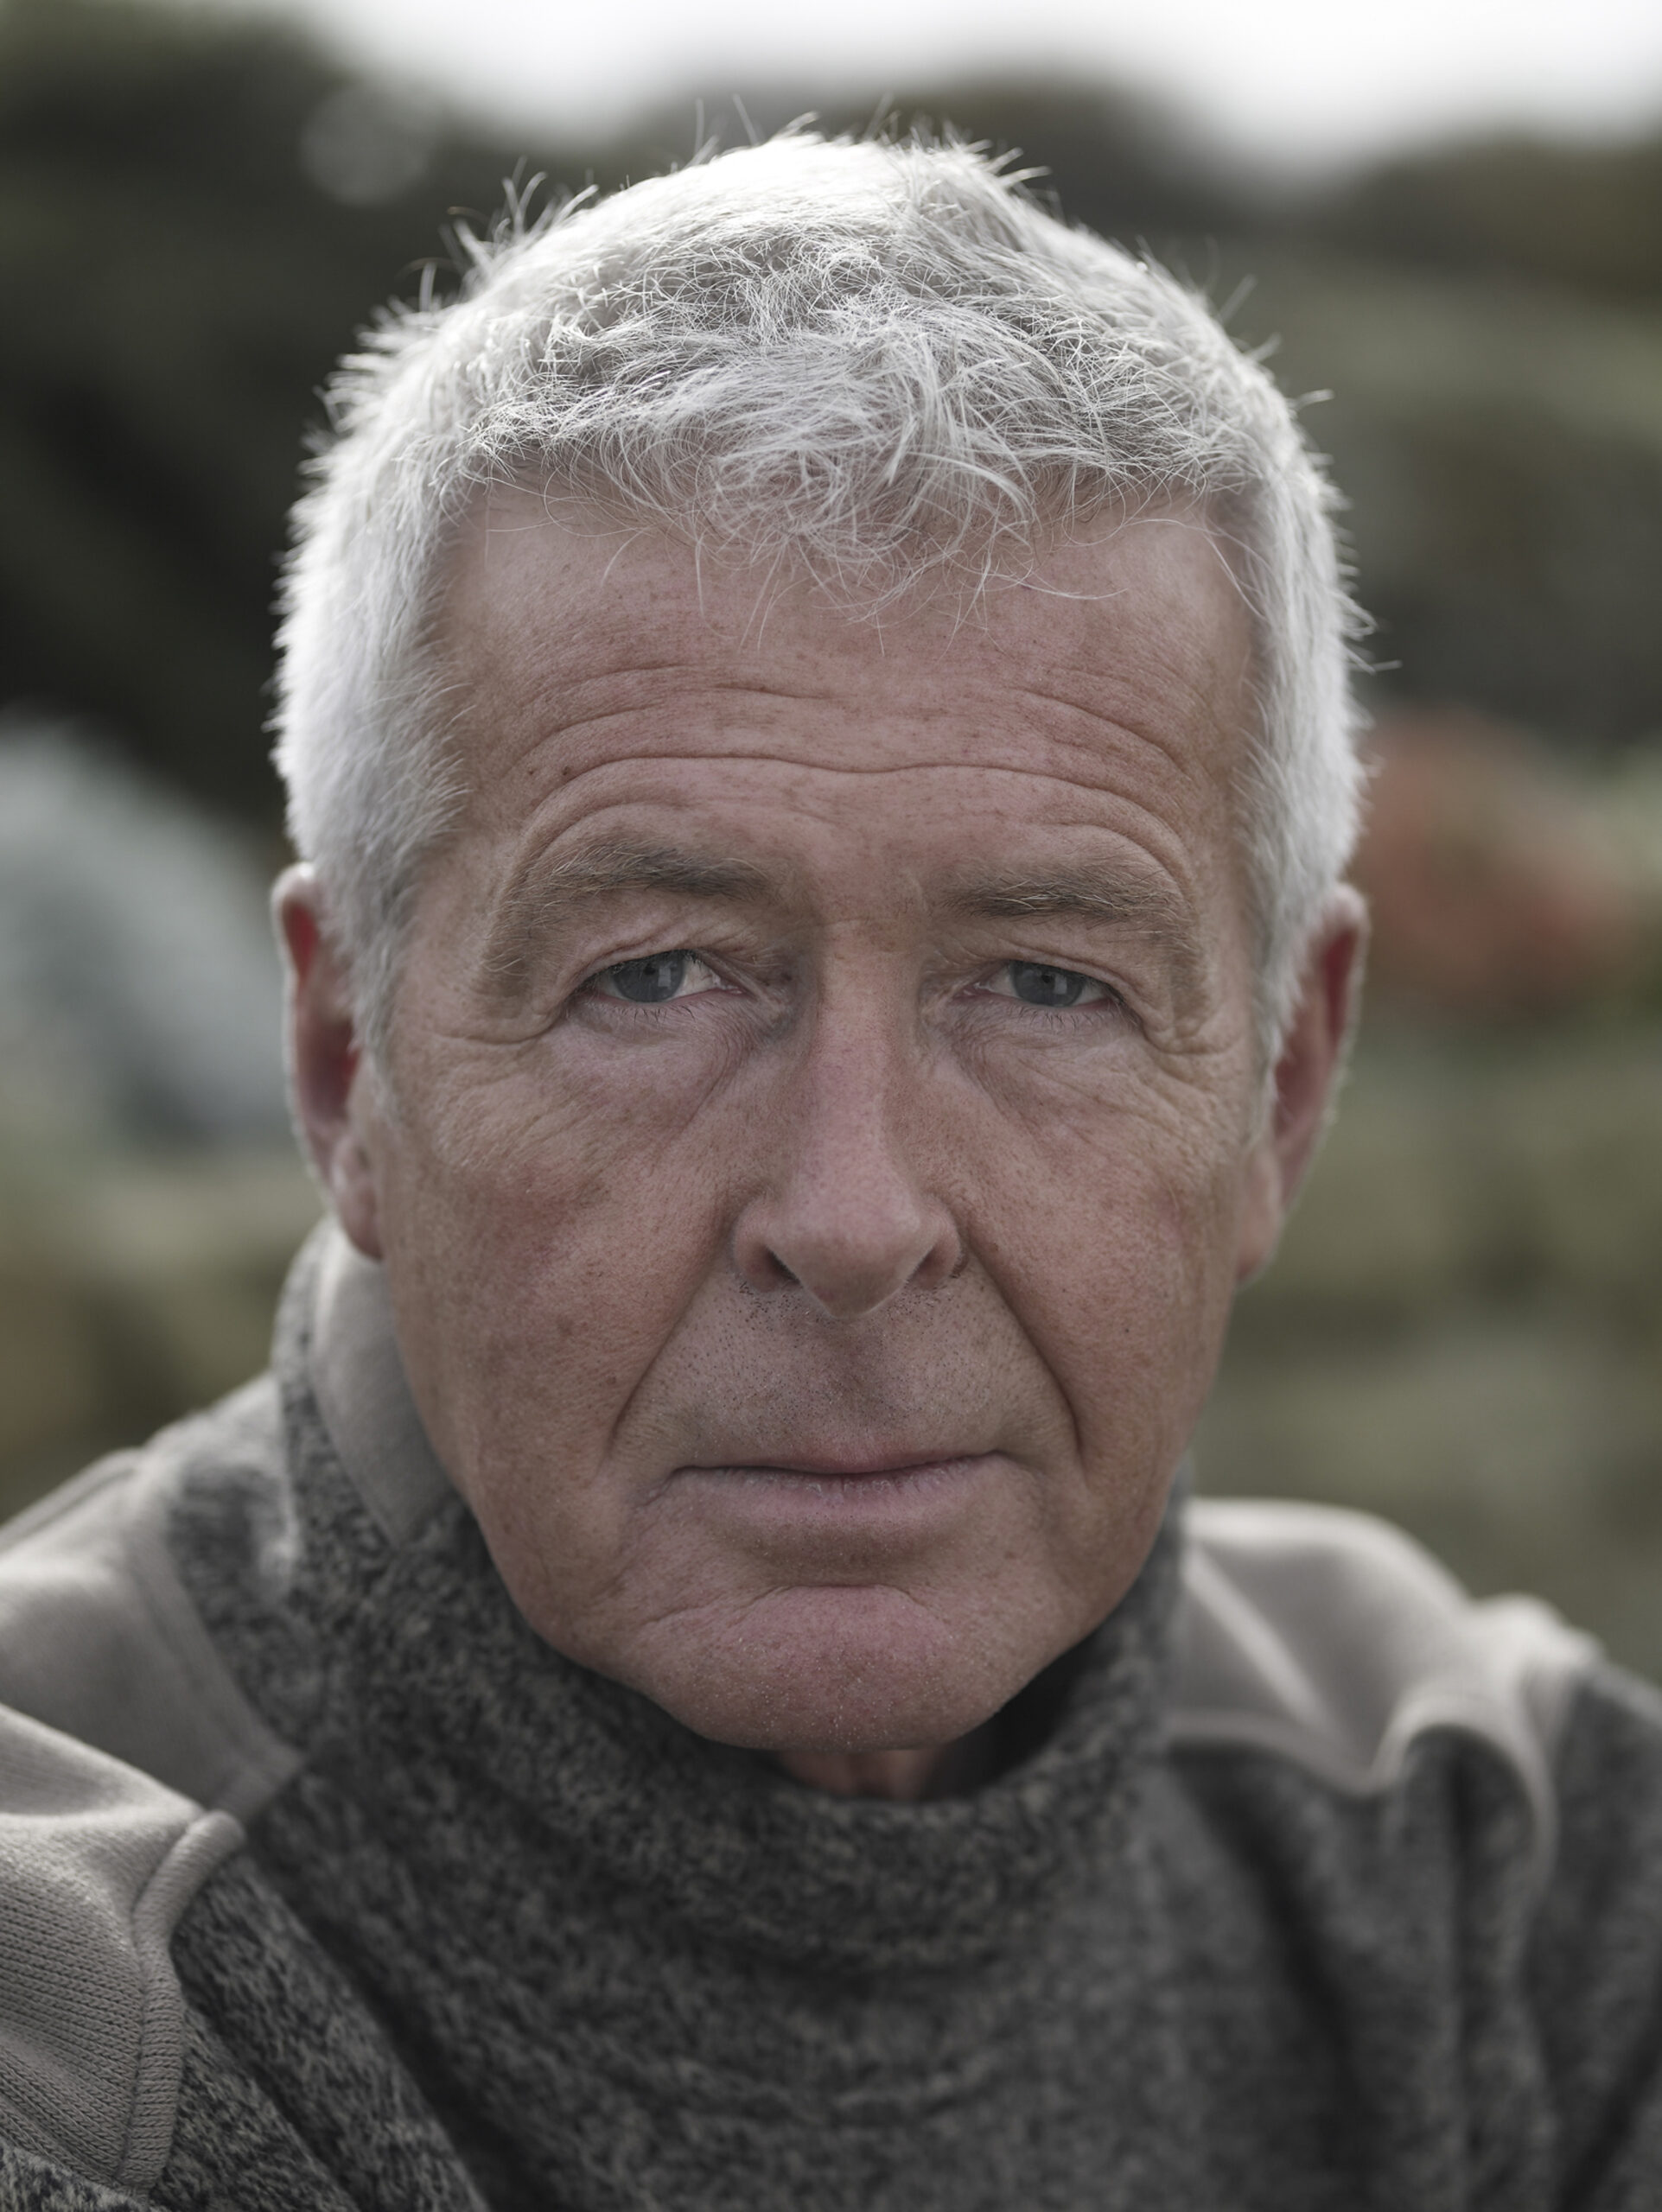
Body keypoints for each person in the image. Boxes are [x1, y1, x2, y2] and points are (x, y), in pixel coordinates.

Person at [2, 133, 1659, 2212]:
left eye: (1045, 983)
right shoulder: (72, 2002)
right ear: (347, 1066)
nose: (857, 1215)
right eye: (659, 974)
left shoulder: (1497, 1857)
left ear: (1281, 1087)